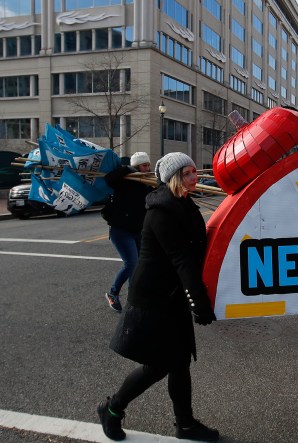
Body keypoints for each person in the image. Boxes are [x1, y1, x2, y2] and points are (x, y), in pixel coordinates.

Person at [97, 152, 219, 442]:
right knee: (159, 365)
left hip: (172, 295)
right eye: (187, 173)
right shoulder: (162, 210)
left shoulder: (183, 202)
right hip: (154, 299)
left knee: (179, 362)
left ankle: (185, 424)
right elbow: (180, 259)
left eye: (194, 171)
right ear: (174, 178)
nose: (194, 177)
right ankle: (112, 409)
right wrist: (199, 301)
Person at [103, 152, 153, 312]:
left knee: (138, 266)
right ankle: (113, 293)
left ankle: (134, 299)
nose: (147, 168)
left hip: (138, 231)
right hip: (121, 230)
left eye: (148, 165)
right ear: (136, 166)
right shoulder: (124, 181)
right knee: (131, 263)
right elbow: (108, 179)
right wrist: (127, 169)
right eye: (144, 165)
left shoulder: (147, 183)